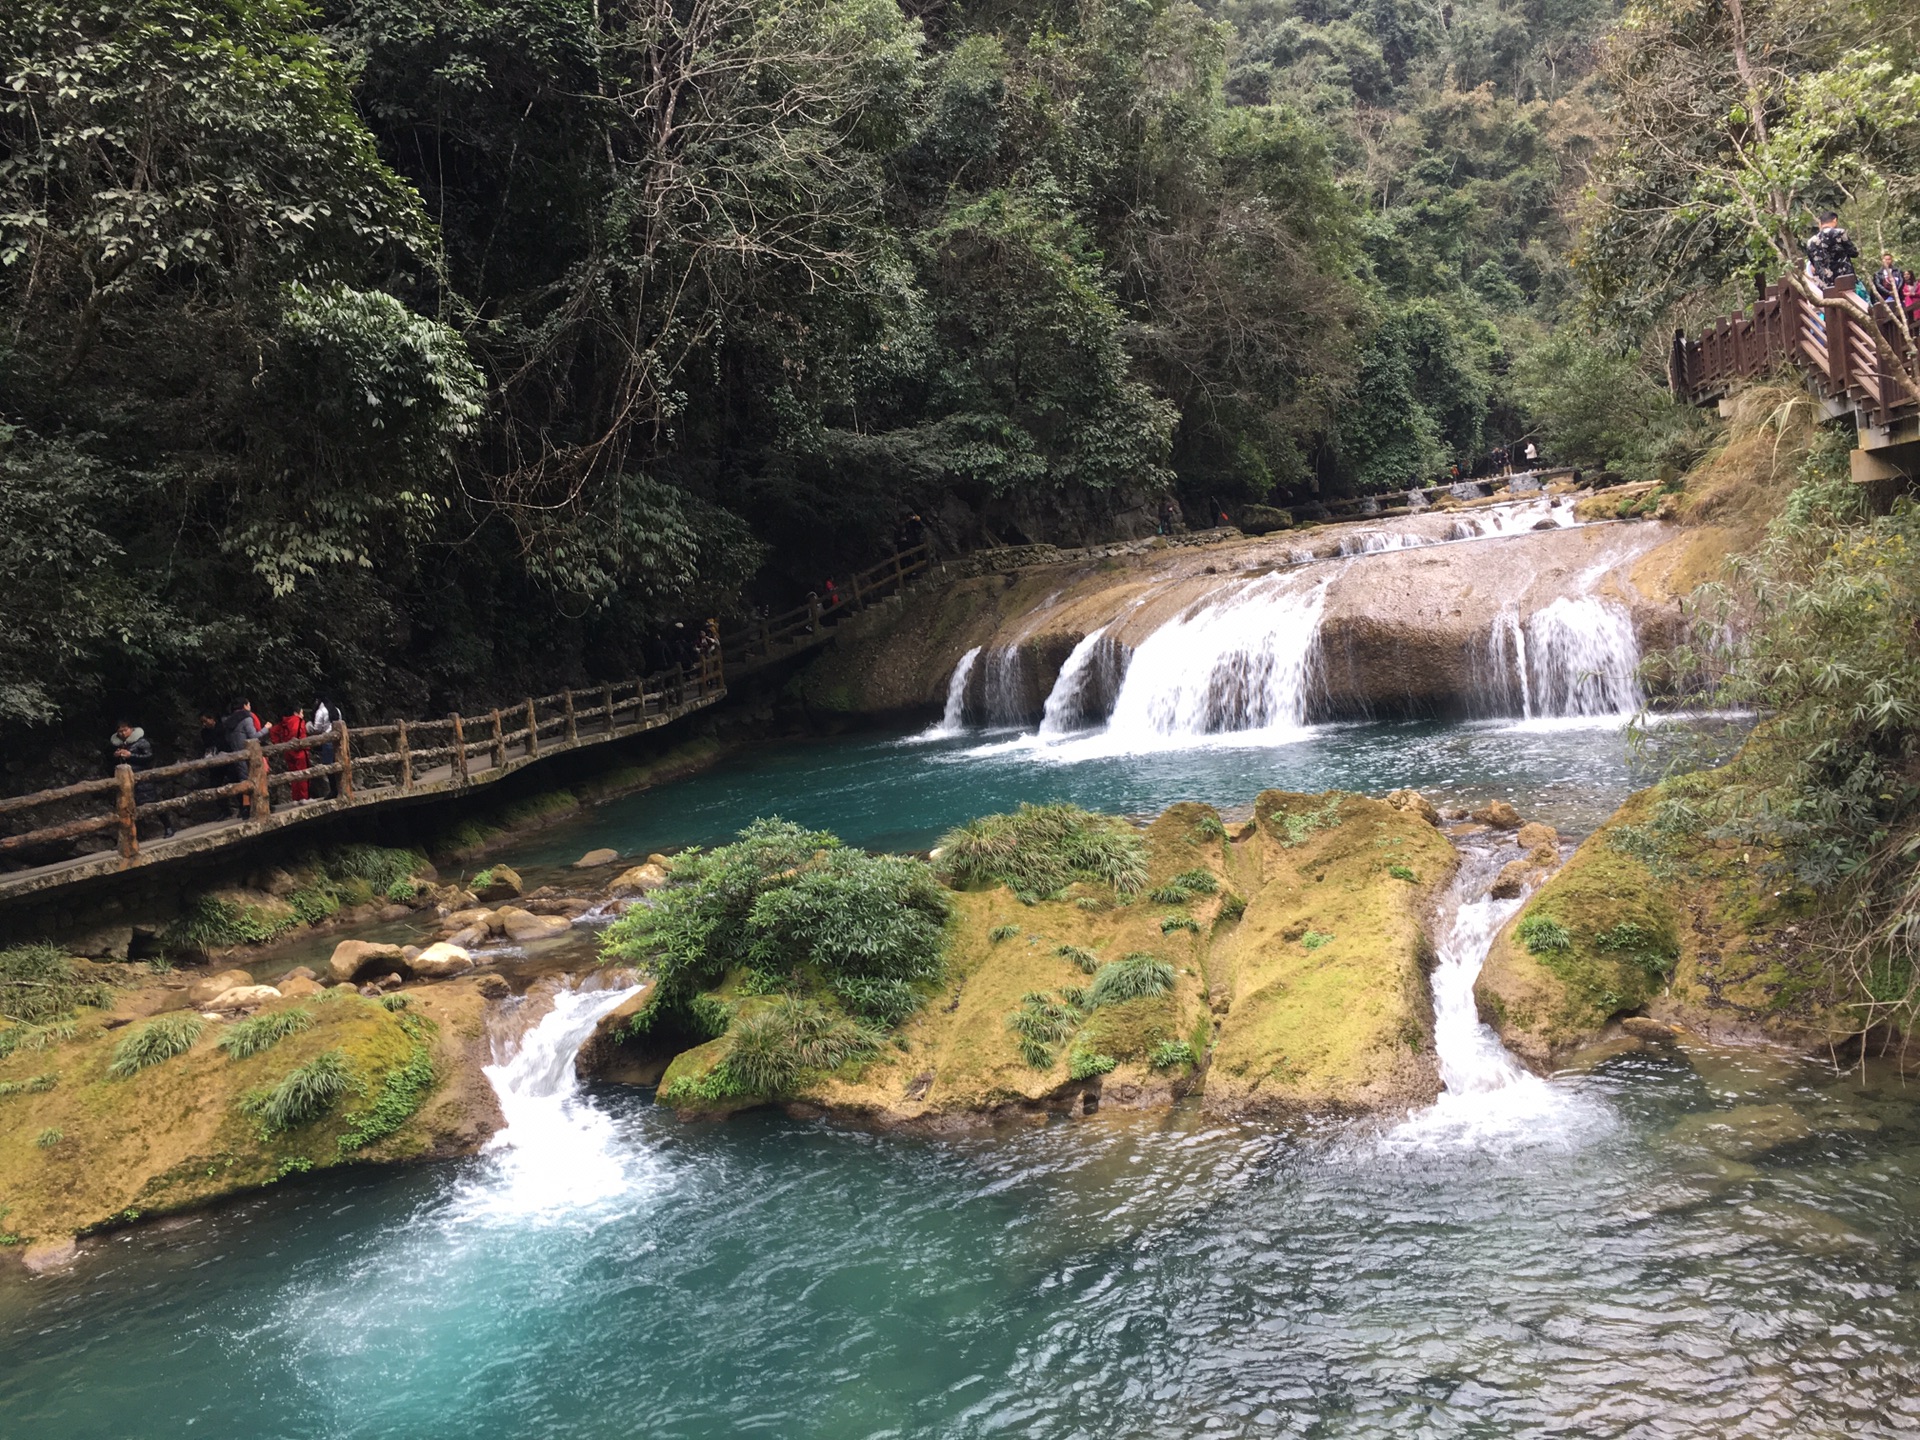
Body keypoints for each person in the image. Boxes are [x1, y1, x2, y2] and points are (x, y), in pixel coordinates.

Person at [109, 721, 172, 839]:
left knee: (154, 804)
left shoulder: (142, 742)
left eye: (125, 730)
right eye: (120, 732)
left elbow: (149, 757)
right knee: (129, 808)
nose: (122, 733)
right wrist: (116, 756)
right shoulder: (119, 745)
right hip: (126, 780)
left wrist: (130, 755)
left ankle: (168, 827)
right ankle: (132, 836)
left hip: (143, 779)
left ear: (131, 729)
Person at [221, 698, 269, 818]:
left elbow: (227, 739)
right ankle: (261, 806)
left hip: (236, 754)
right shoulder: (246, 718)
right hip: (249, 754)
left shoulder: (228, 721)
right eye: (249, 704)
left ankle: (245, 809)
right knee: (257, 778)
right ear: (245, 705)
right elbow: (253, 737)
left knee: (244, 780)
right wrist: (266, 729)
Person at [1807, 212, 1859, 290]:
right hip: (1844, 280)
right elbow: (1854, 253)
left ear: (1820, 224)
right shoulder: (1839, 233)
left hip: (1823, 285)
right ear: (1835, 220)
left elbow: (1813, 263)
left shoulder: (1810, 241)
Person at [269, 708, 310, 803]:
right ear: (296, 713)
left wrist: (279, 743)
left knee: (293, 775)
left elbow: (273, 731)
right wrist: (301, 745)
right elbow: (297, 733)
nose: (302, 715)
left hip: (288, 752)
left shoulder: (284, 722)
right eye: (302, 713)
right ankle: (303, 798)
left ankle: (295, 798)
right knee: (302, 775)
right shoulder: (298, 721)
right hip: (299, 751)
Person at [310, 697, 338, 800]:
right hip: (337, 741)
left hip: (327, 741)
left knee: (328, 766)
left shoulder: (320, 711)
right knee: (338, 765)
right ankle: (339, 788)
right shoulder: (336, 709)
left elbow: (316, 729)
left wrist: (309, 726)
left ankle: (333, 790)